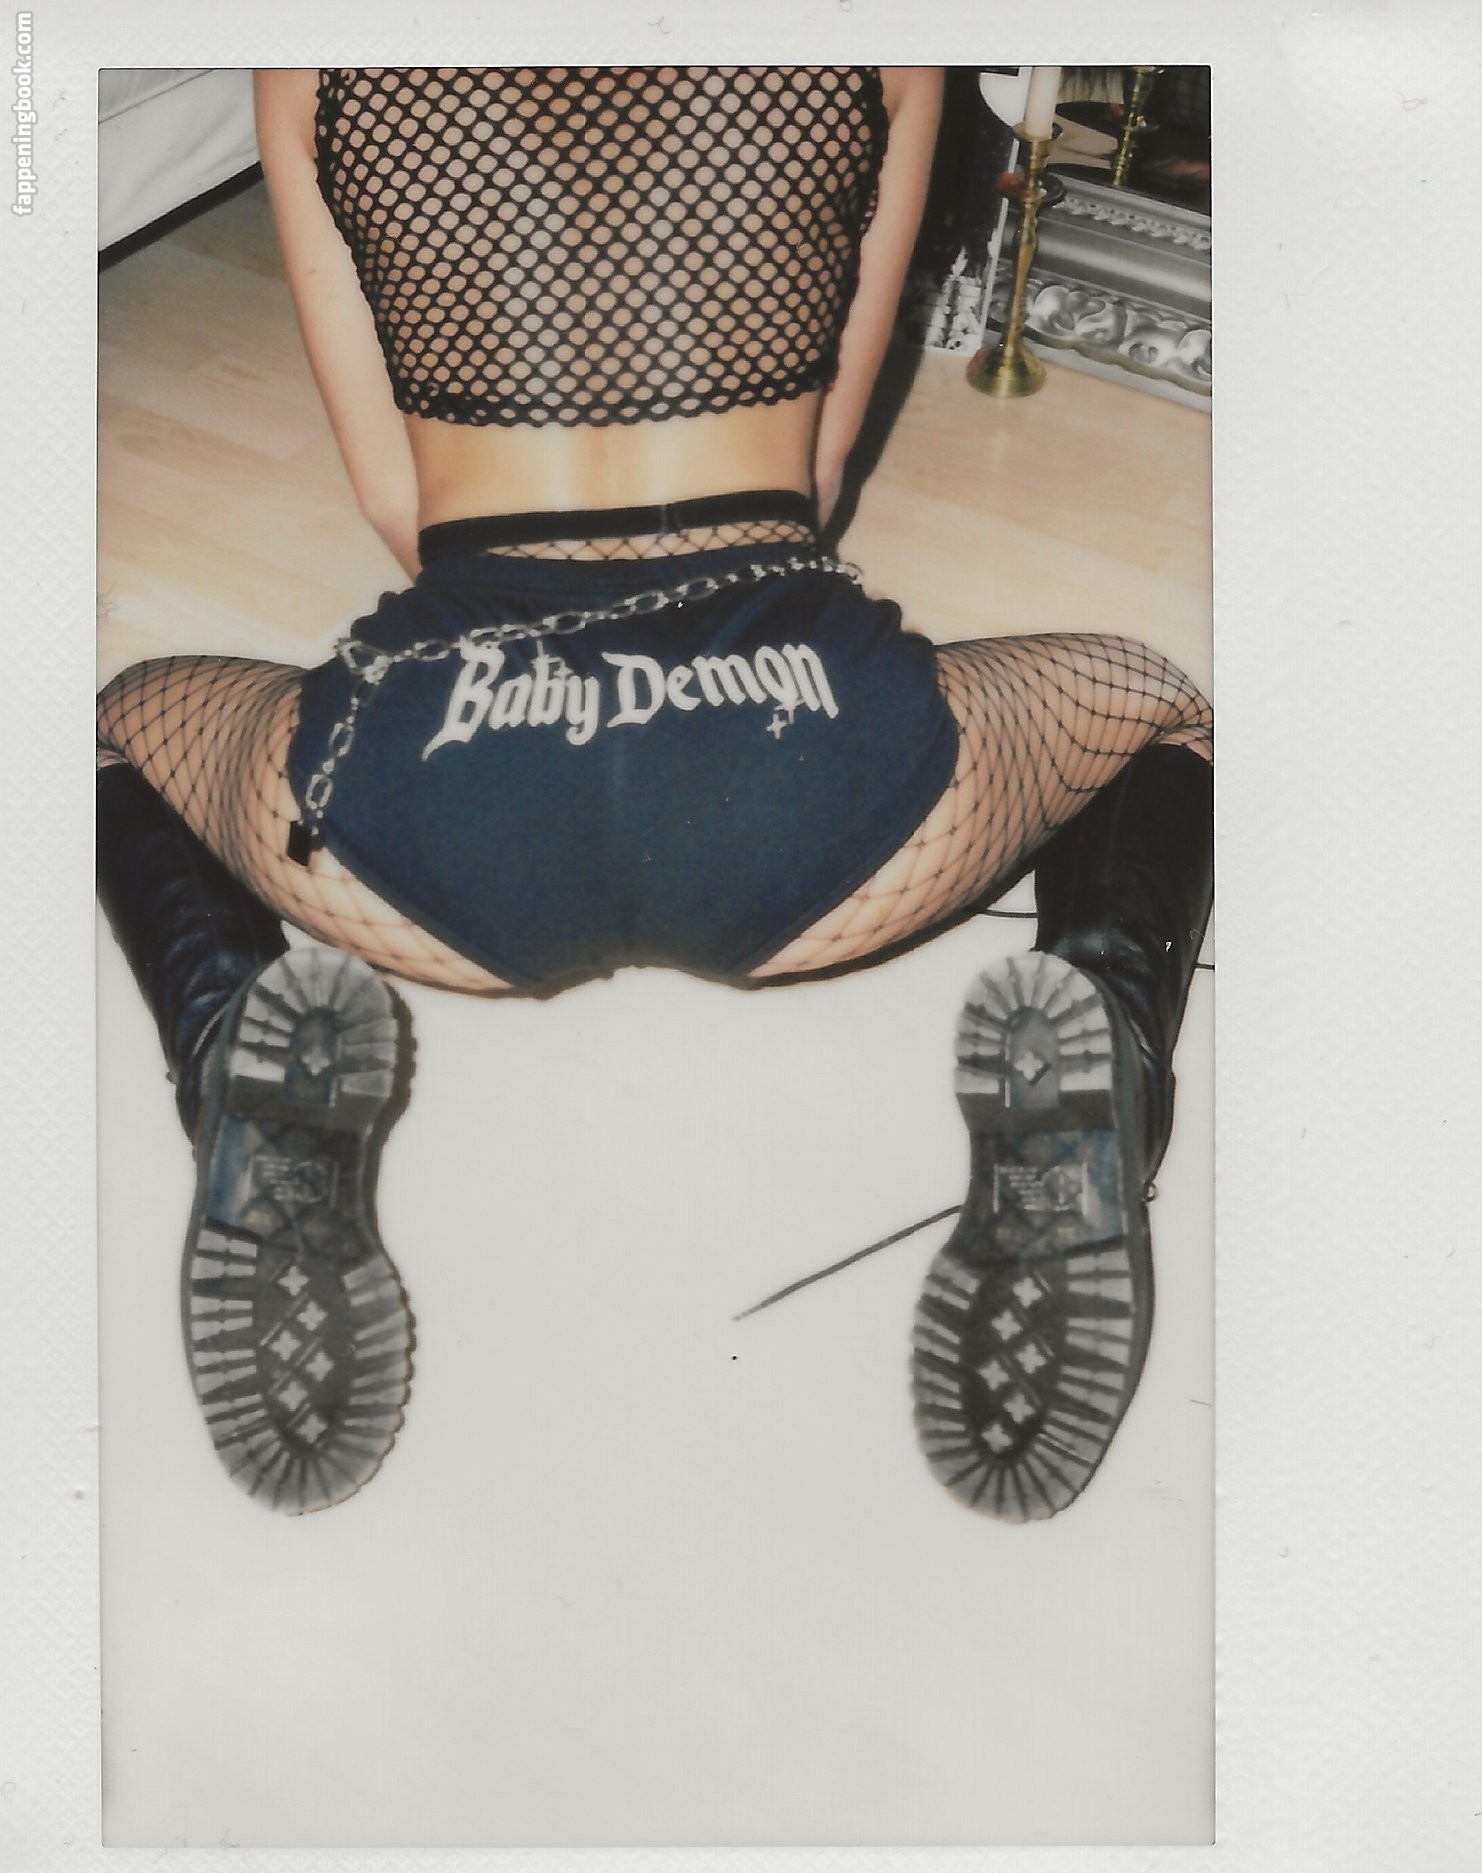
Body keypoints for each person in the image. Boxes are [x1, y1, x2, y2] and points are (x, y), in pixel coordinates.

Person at [96, 65, 1212, 1522]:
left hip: (433, 803)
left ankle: (227, 1047)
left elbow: (395, 505)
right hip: (820, 777)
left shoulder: (314, 49)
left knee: (120, 726)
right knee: (1159, 704)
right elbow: (815, 479)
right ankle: (1107, 1052)